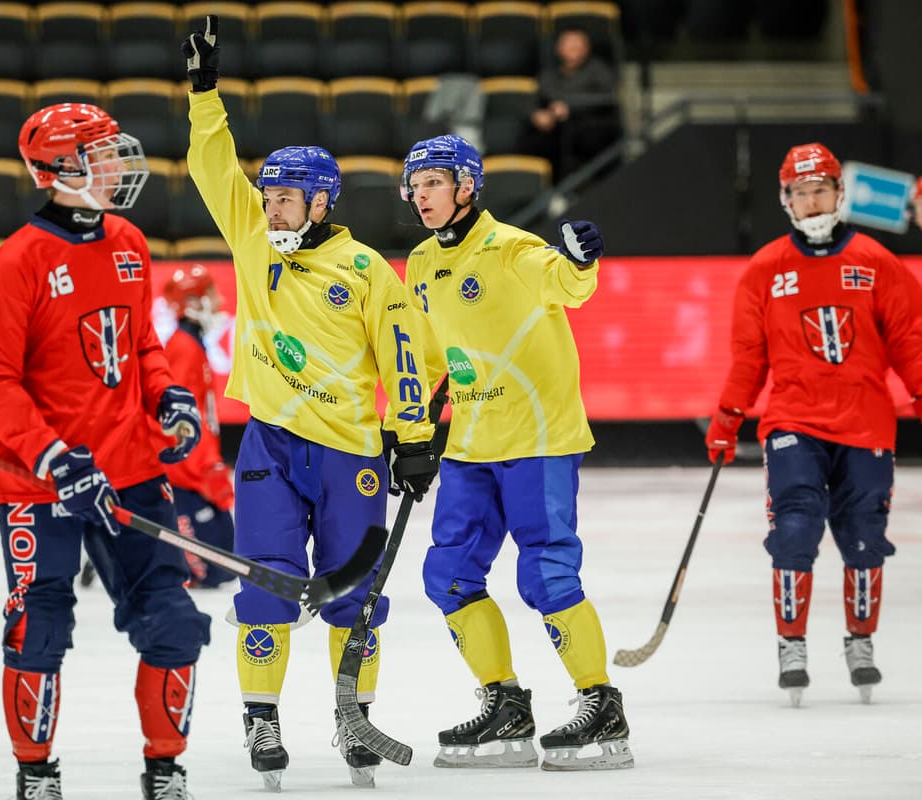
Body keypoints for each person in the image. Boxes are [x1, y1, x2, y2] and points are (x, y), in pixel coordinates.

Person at [181, 15, 441, 790]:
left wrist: (414, 436)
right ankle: (261, 720)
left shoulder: (366, 270)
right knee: (264, 586)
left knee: (354, 597)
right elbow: (212, 169)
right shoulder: (253, 239)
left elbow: (405, 358)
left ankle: (352, 715)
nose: (271, 209)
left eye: (287, 199)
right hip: (268, 447)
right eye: (267, 197)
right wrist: (204, 96)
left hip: (351, 454)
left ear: (322, 201)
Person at [0, 102, 211, 800]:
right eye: (102, 154)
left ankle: (165, 765)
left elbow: (139, 345)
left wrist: (166, 394)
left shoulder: (130, 241)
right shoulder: (18, 262)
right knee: (38, 621)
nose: (120, 166)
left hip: (128, 467)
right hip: (37, 482)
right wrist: (53, 457)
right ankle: (35, 770)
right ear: (59, 171)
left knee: (174, 620)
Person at [400, 133, 634, 772]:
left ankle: (601, 702)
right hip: (470, 444)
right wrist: (411, 432)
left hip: (538, 439)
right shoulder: (421, 262)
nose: (421, 196)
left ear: (467, 187)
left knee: (546, 575)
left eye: (434, 184)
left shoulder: (513, 249)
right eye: (415, 185)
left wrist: (581, 259)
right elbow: (423, 356)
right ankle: (504, 704)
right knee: (446, 574)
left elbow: (568, 284)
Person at [705, 142, 922, 706]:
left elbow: (910, 339)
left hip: (867, 422)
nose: (811, 199)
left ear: (838, 192)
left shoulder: (876, 261)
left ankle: (861, 643)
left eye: (819, 188)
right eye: (800, 192)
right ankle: (792, 644)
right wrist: (728, 417)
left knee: (864, 538)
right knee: (795, 531)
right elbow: (748, 355)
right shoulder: (766, 268)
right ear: (786, 200)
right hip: (793, 421)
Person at [158, 263, 237, 589]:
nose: (218, 303)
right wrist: (203, 470)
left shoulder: (191, 345)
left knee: (229, 561)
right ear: (193, 303)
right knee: (216, 571)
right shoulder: (183, 349)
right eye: (209, 295)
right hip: (186, 475)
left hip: (194, 469)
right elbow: (178, 423)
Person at [523, 27, 621, 180]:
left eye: (579, 43)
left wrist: (569, 106)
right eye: (569, 43)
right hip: (555, 133)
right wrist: (536, 114)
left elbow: (608, 97)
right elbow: (533, 101)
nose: (574, 47)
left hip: (591, 128)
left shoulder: (598, 70)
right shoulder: (549, 75)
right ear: (559, 48)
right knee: (531, 139)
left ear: (587, 48)